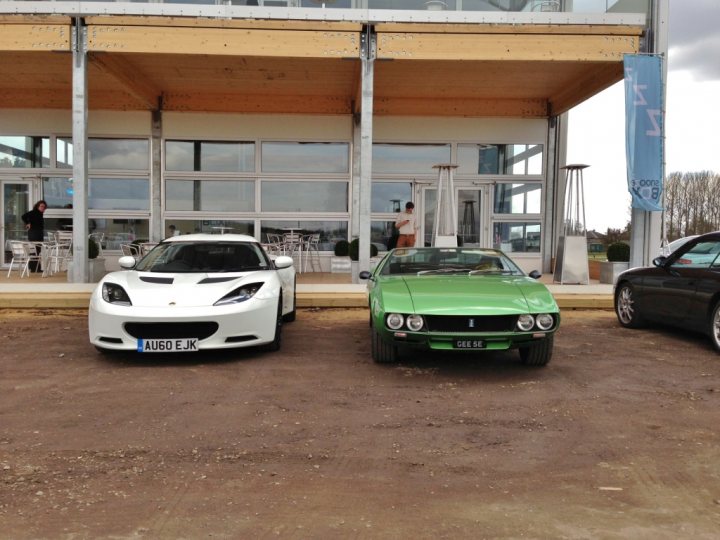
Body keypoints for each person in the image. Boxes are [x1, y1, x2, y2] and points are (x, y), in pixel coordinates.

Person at [21, 199, 47, 272]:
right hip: (34, 234)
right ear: (37, 206)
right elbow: (23, 216)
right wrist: (27, 223)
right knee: (34, 251)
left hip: (38, 234)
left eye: (44, 207)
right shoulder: (34, 212)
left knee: (37, 251)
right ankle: (34, 268)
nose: (43, 208)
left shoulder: (40, 213)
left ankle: (34, 268)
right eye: (41, 206)